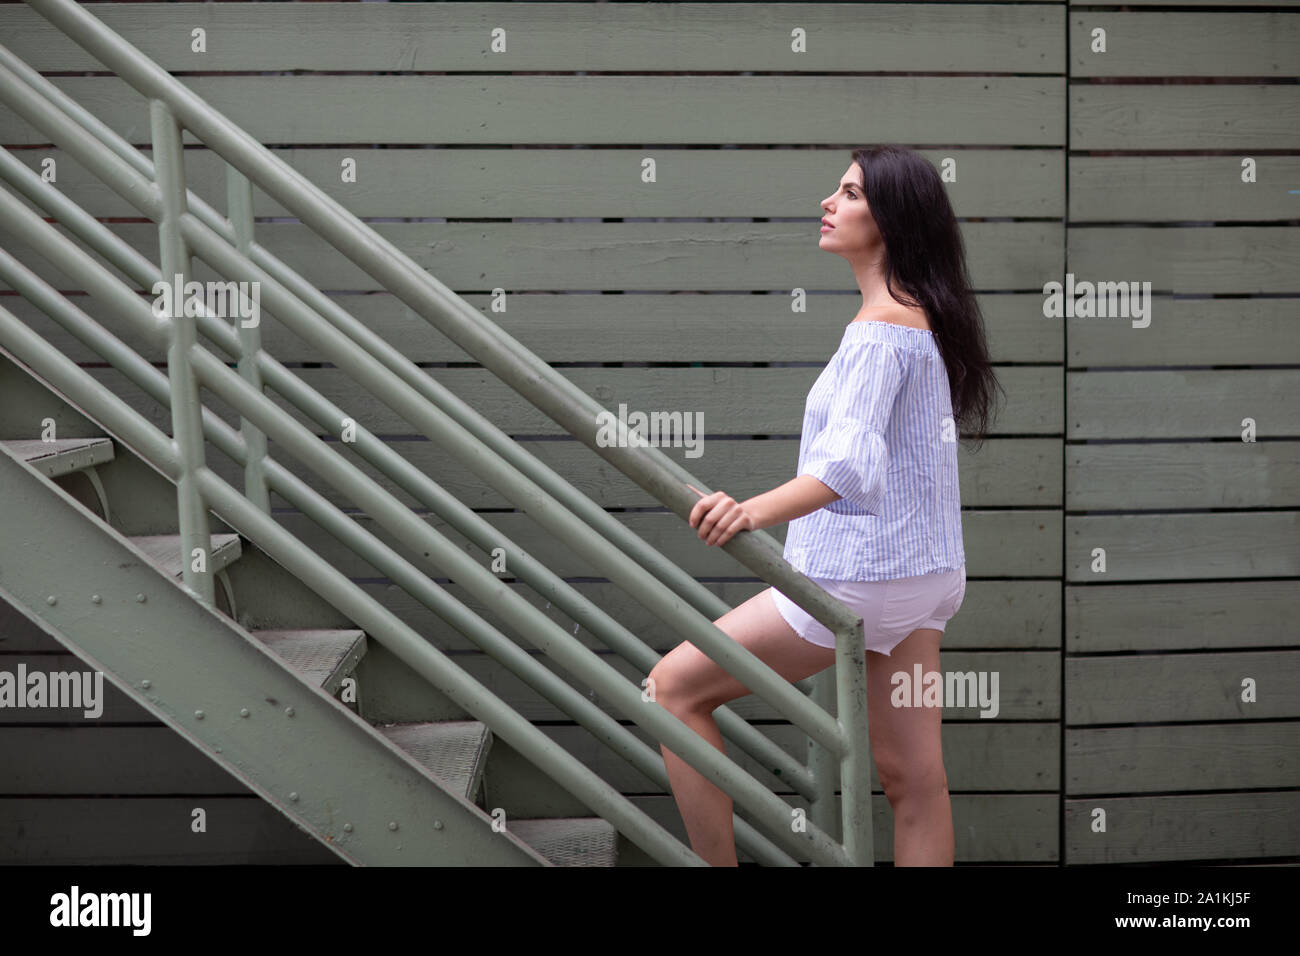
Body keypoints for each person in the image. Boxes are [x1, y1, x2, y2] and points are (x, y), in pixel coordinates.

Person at [648, 145, 1003, 866]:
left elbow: (847, 465)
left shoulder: (879, 330)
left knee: (672, 690)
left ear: (892, 220)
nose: (827, 202)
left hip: (856, 579)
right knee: (915, 782)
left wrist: (751, 512)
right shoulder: (924, 317)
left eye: (848, 193)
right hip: (923, 582)